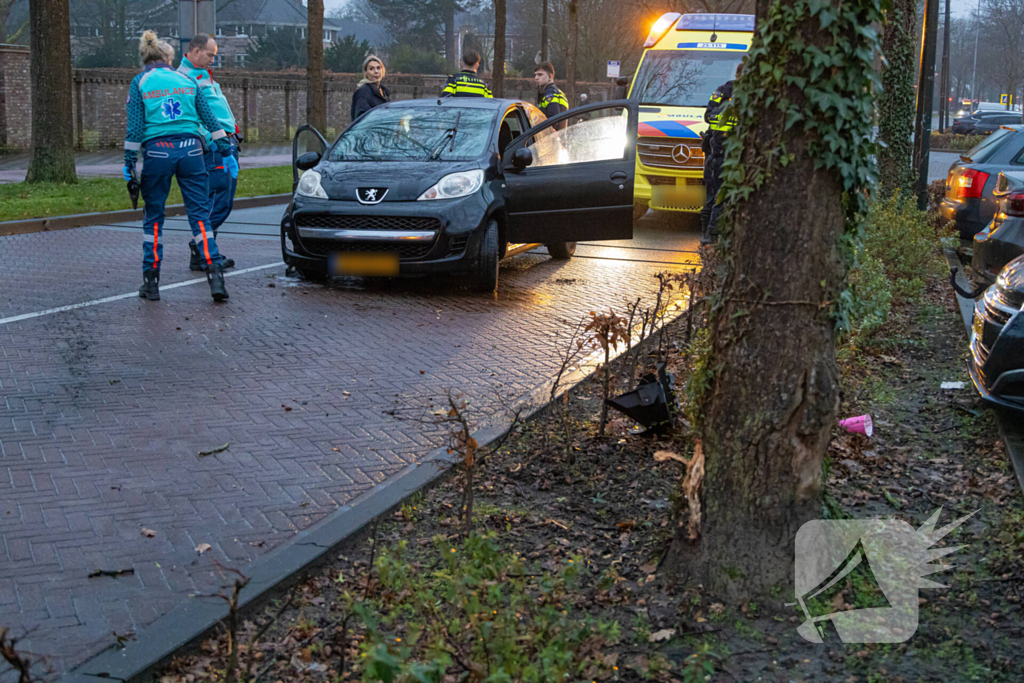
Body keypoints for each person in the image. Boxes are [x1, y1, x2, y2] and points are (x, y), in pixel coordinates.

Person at [123, 30, 235, 302]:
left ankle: (151, 282)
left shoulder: (140, 82)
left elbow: (136, 128)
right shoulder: (186, 80)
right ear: (168, 57)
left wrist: (129, 164)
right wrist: (225, 150)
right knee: (200, 215)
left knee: (154, 218)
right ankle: (215, 277)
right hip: (191, 151)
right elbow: (209, 119)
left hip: (158, 154)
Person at [177, 33, 240, 272]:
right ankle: (202, 249)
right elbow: (191, 117)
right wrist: (210, 139)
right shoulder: (184, 79)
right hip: (216, 147)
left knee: (222, 200)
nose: (213, 59)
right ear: (195, 51)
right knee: (219, 201)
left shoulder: (202, 75)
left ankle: (203, 249)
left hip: (225, 143)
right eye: (210, 55)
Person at [700, 63, 741, 245]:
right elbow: (709, 115)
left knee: (717, 197)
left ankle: (711, 236)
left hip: (720, 153)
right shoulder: (723, 90)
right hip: (719, 153)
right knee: (716, 197)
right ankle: (709, 235)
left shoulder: (750, 95)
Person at [351, 55, 390, 121]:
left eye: (378, 68)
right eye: (371, 69)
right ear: (366, 72)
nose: (376, 71)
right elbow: (362, 119)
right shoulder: (363, 92)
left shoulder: (383, 92)